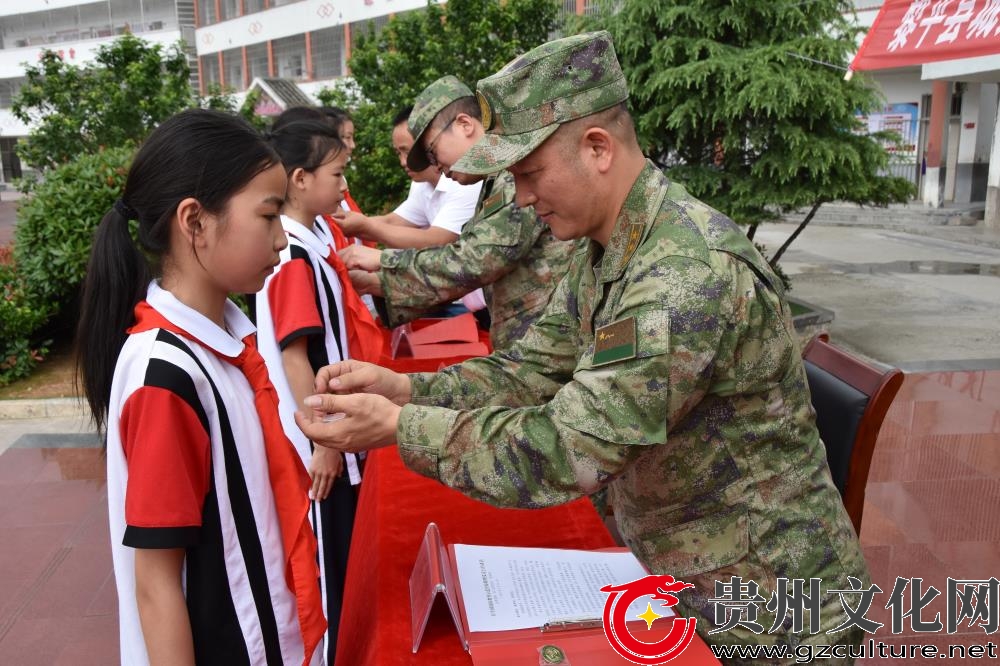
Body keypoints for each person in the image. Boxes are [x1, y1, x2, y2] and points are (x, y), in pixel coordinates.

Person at [295, 32, 870, 659]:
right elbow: (531, 371)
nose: (520, 198)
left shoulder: (684, 276)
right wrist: (406, 388)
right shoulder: (604, 249)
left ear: (597, 148)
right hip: (688, 584)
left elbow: (565, 449)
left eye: (530, 174)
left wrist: (401, 426)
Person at [76, 109, 324, 665]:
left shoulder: (226, 345)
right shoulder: (167, 373)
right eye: (268, 214)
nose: (283, 237)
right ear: (195, 222)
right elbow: (156, 582)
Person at [257, 119, 381, 664]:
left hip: (332, 433)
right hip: (322, 445)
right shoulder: (292, 257)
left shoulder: (310, 242)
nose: (342, 184)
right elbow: (293, 353)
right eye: (337, 173)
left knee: (349, 559)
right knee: (331, 570)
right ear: (301, 179)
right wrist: (325, 440)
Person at [339, 75, 575, 351]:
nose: (434, 165)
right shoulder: (492, 181)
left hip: (553, 351)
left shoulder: (514, 174)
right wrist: (377, 284)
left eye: (432, 151)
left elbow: (476, 260)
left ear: (465, 125)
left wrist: (383, 263)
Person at [336, 106, 482, 249]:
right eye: (399, 153)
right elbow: (393, 222)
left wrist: (366, 229)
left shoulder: (465, 182)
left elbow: (438, 240)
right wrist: (343, 222)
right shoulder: (422, 184)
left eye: (408, 152)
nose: (404, 162)